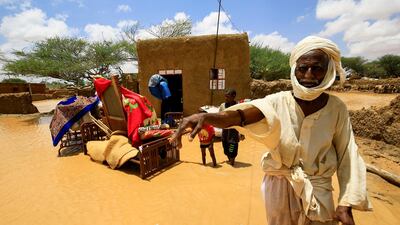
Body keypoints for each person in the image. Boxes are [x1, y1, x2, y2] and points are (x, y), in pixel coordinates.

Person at [169, 36, 372, 225]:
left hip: (319, 192)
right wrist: (205, 117)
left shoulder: (336, 108)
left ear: (328, 70)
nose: (309, 75)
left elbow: (348, 155)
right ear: (295, 69)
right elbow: (240, 116)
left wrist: (347, 202)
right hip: (279, 188)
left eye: (317, 68)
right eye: (303, 68)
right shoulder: (277, 101)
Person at [219, 88, 241, 166]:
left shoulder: (238, 106)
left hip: (233, 132)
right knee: (225, 148)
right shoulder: (223, 106)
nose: (226, 98)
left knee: (232, 146)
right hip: (225, 131)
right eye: (225, 96)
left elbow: (241, 120)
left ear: (234, 96)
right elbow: (219, 116)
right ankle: (230, 158)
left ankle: (232, 160)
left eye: (228, 96)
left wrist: (242, 132)